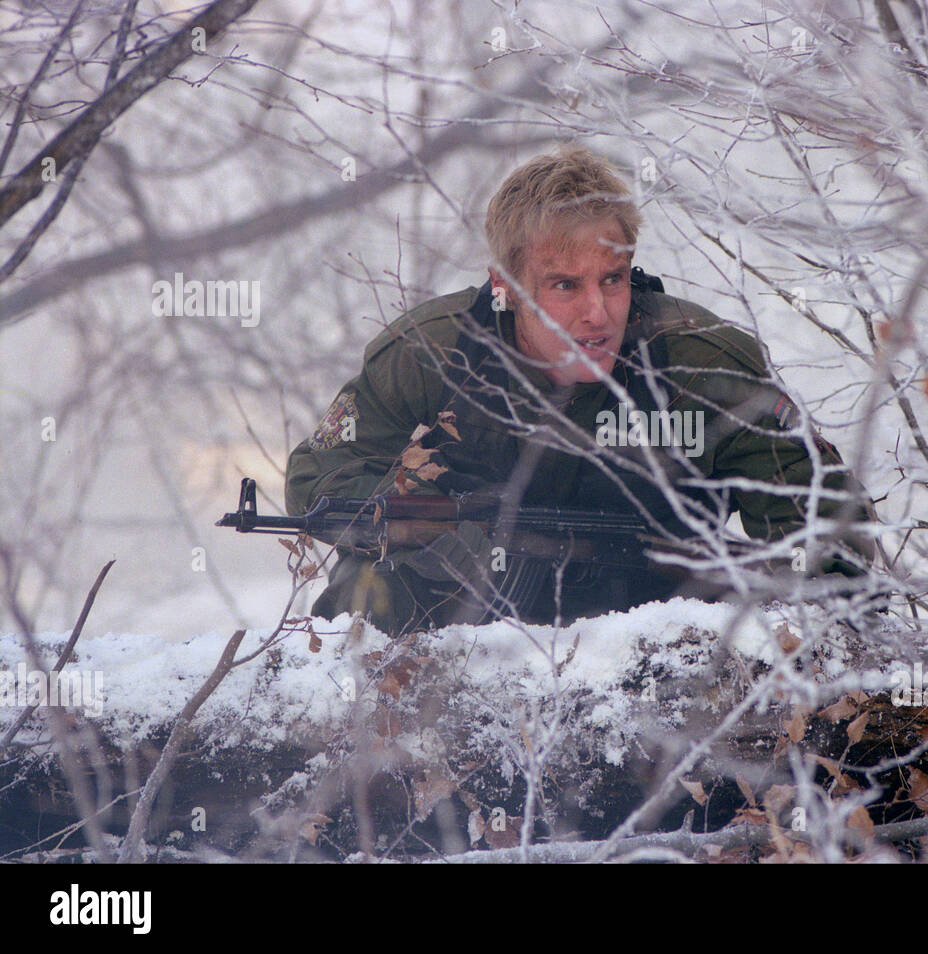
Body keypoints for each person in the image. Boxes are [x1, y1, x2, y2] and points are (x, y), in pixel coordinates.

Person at [285, 145, 872, 634]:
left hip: (658, 621)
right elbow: (319, 481)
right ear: (505, 286)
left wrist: (770, 608)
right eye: (565, 285)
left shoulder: (702, 363)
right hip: (461, 612)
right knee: (366, 590)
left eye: (612, 280)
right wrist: (428, 532)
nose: (598, 313)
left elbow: (828, 539)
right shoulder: (432, 352)